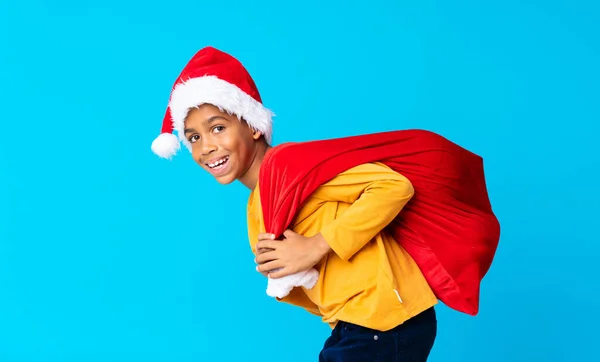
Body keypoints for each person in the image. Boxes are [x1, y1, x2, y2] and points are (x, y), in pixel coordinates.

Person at [150, 46, 448, 361]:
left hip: (385, 319)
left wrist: (316, 246)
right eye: (193, 137)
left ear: (252, 126)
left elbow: (392, 185)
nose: (206, 146)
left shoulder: (292, 166)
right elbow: (301, 280)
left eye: (218, 128)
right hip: (352, 324)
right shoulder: (257, 206)